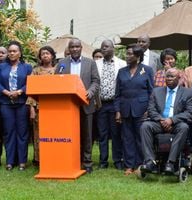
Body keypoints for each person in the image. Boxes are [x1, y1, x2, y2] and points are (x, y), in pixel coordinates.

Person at [55, 38, 100, 174]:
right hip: (68, 106)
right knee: (69, 135)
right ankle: (71, 160)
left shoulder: (90, 63)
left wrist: (90, 92)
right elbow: (56, 80)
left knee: (87, 135)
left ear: (81, 48)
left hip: (86, 104)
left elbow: (96, 81)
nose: (74, 49)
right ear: (69, 49)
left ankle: (87, 162)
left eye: (77, 47)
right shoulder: (62, 63)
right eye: (72, 47)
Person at [140, 68, 192, 174]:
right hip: (159, 123)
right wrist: (162, 120)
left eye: (172, 76)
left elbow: (190, 113)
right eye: (167, 76)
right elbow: (151, 109)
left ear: (179, 78)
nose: (169, 79)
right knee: (145, 126)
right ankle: (150, 161)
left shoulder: (187, 92)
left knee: (184, 127)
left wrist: (172, 120)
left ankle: (171, 162)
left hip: (177, 124)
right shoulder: (156, 91)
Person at [114, 44, 154, 175]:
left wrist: (149, 109)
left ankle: (140, 164)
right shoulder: (122, 71)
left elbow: (151, 92)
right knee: (127, 138)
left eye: (130, 54)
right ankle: (129, 165)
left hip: (142, 109)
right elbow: (118, 93)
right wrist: (118, 111)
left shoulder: (147, 70)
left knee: (140, 138)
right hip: (125, 109)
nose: (127, 56)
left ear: (138, 56)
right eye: (127, 53)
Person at [0, 41, 32, 171]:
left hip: (22, 103)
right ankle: (10, 161)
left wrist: (19, 91)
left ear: (20, 53)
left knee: (22, 133)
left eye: (14, 51)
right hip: (6, 103)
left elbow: (30, 83)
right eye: (10, 51)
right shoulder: (2, 67)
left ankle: (22, 161)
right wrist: (7, 92)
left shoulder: (27, 67)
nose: (11, 53)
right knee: (8, 132)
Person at [96, 40, 126, 170]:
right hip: (101, 104)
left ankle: (117, 160)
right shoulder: (95, 64)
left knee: (116, 133)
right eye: (102, 47)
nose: (104, 49)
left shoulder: (121, 63)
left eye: (106, 47)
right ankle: (103, 161)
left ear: (113, 48)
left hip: (115, 103)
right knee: (102, 134)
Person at [26, 46, 56, 166]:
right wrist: (32, 109)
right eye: (42, 54)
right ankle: (39, 159)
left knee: (54, 133)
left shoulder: (58, 70)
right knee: (39, 134)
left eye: (47, 53)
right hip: (39, 108)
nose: (45, 56)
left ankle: (53, 157)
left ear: (52, 56)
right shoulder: (35, 71)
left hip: (55, 108)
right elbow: (31, 90)